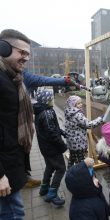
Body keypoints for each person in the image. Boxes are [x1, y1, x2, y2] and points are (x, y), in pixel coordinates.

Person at [0, 29, 82, 219]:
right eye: (22, 52)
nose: (26, 58)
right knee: (14, 213)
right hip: (5, 168)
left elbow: (41, 79)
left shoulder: (17, 77)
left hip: (14, 164)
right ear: (3, 48)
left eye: (28, 54)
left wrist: (65, 80)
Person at [33, 89, 66, 206]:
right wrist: (63, 146)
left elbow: (53, 127)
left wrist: (62, 132)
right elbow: (52, 133)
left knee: (50, 167)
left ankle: (44, 188)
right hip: (52, 148)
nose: (53, 99)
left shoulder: (42, 110)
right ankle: (52, 193)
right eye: (51, 98)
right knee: (61, 168)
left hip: (45, 148)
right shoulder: (47, 113)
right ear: (46, 101)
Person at [64, 95, 103, 168]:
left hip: (71, 142)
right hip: (78, 143)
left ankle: (69, 173)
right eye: (78, 103)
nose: (81, 104)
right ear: (73, 104)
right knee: (81, 162)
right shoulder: (77, 114)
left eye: (81, 103)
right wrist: (100, 119)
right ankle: (81, 177)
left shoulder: (68, 112)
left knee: (72, 159)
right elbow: (89, 124)